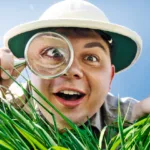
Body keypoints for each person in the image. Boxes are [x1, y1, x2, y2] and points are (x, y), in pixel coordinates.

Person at [0, 0, 149, 131]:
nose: (72, 70)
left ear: (110, 78)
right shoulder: (7, 106)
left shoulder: (130, 119)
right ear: (30, 64)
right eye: (54, 53)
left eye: (91, 58)